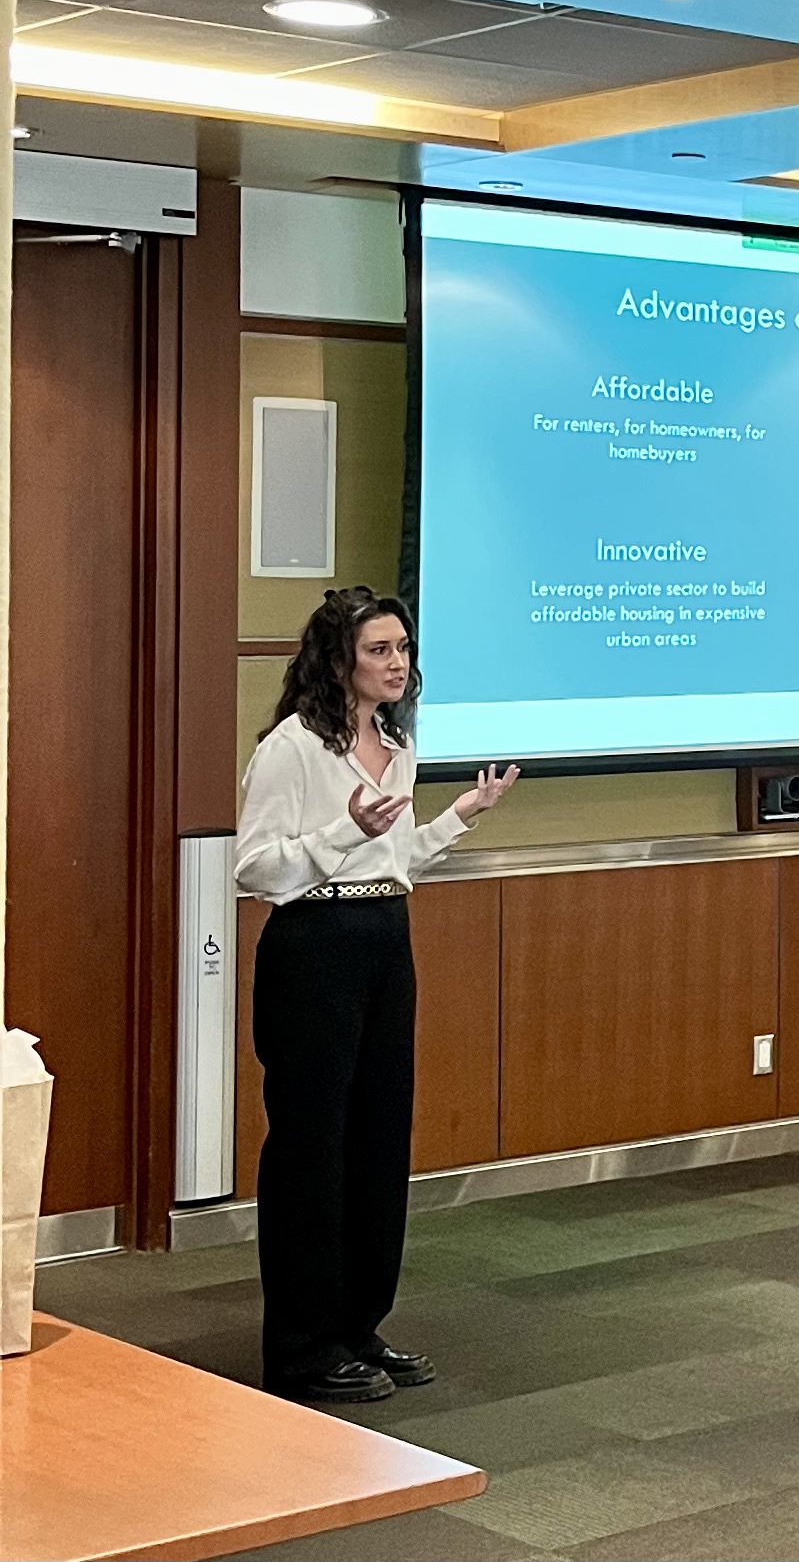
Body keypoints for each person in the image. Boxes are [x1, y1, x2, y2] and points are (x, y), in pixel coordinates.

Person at [236, 587, 520, 1403]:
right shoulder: (292, 747)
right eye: (380, 650)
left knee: (377, 1138)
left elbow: (391, 864)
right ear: (339, 660)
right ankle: (299, 1345)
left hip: (384, 939)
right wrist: (343, 832)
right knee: (310, 1148)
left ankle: (358, 1323)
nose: (397, 663)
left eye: (402, 648)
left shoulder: (396, 741)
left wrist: (459, 815)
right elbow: (256, 869)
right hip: (312, 948)